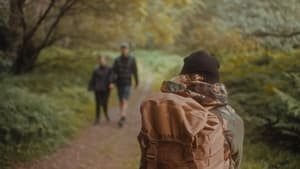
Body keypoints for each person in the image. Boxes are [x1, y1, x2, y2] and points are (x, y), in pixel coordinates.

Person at [138, 50, 244, 169]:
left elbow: (147, 153)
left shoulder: (161, 108)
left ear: (183, 77)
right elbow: (235, 161)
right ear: (215, 82)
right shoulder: (229, 118)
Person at [112, 43, 139, 128]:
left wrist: (136, 81)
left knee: (124, 99)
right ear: (121, 50)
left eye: (126, 49)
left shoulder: (132, 59)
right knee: (121, 100)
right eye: (123, 49)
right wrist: (112, 82)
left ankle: (122, 117)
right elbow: (113, 72)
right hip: (119, 82)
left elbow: (135, 71)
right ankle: (122, 115)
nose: (124, 50)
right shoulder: (117, 60)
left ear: (128, 50)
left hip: (127, 82)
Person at [88, 56, 113, 125]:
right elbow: (92, 79)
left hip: (106, 89)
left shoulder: (109, 69)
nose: (102, 62)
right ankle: (97, 118)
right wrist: (90, 87)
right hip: (98, 89)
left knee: (104, 103)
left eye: (103, 60)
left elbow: (111, 77)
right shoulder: (96, 69)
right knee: (98, 104)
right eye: (100, 61)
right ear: (99, 61)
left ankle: (106, 114)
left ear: (105, 61)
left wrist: (111, 83)